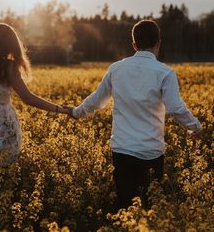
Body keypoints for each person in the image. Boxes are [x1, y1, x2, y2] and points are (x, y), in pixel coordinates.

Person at [67, 20, 202, 209]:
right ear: (158, 44)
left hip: (122, 151)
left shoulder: (116, 69)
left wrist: (75, 112)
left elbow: (96, 101)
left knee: (125, 208)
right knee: (150, 208)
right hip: (151, 152)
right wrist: (195, 126)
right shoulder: (165, 73)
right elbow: (175, 109)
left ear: (134, 45)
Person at [0, 23, 69, 162]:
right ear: (9, 45)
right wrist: (60, 109)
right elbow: (28, 98)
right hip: (4, 125)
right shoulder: (8, 66)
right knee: (3, 165)